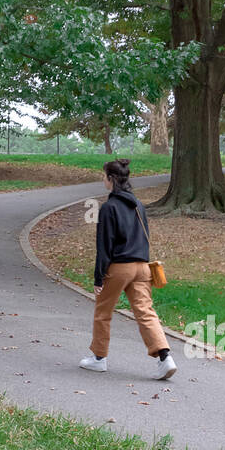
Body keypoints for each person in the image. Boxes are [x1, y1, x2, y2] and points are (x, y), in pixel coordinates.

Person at [79, 158, 177, 379]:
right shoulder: (138, 205)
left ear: (111, 179)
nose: (102, 180)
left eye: (103, 176)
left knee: (103, 312)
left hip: (119, 267)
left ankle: (98, 358)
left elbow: (104, 246)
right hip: (142, 267)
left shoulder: (108, 208)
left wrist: (98, 278)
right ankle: (165, 358)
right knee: (146, 312)